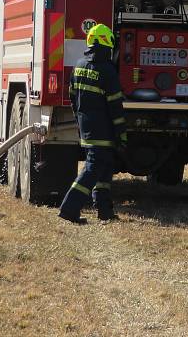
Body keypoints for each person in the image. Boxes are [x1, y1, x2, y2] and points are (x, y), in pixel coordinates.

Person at [59, 24, 127, 224]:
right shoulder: (107, 70)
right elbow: (115, 107)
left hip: (86, 128)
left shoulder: (79, 65)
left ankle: (104, 211)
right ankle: (69, 209)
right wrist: (122, 134)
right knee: (92, 169)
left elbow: (72, 97)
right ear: (106, 43)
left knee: (104, 168)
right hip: (103, 131)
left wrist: (80, 120)